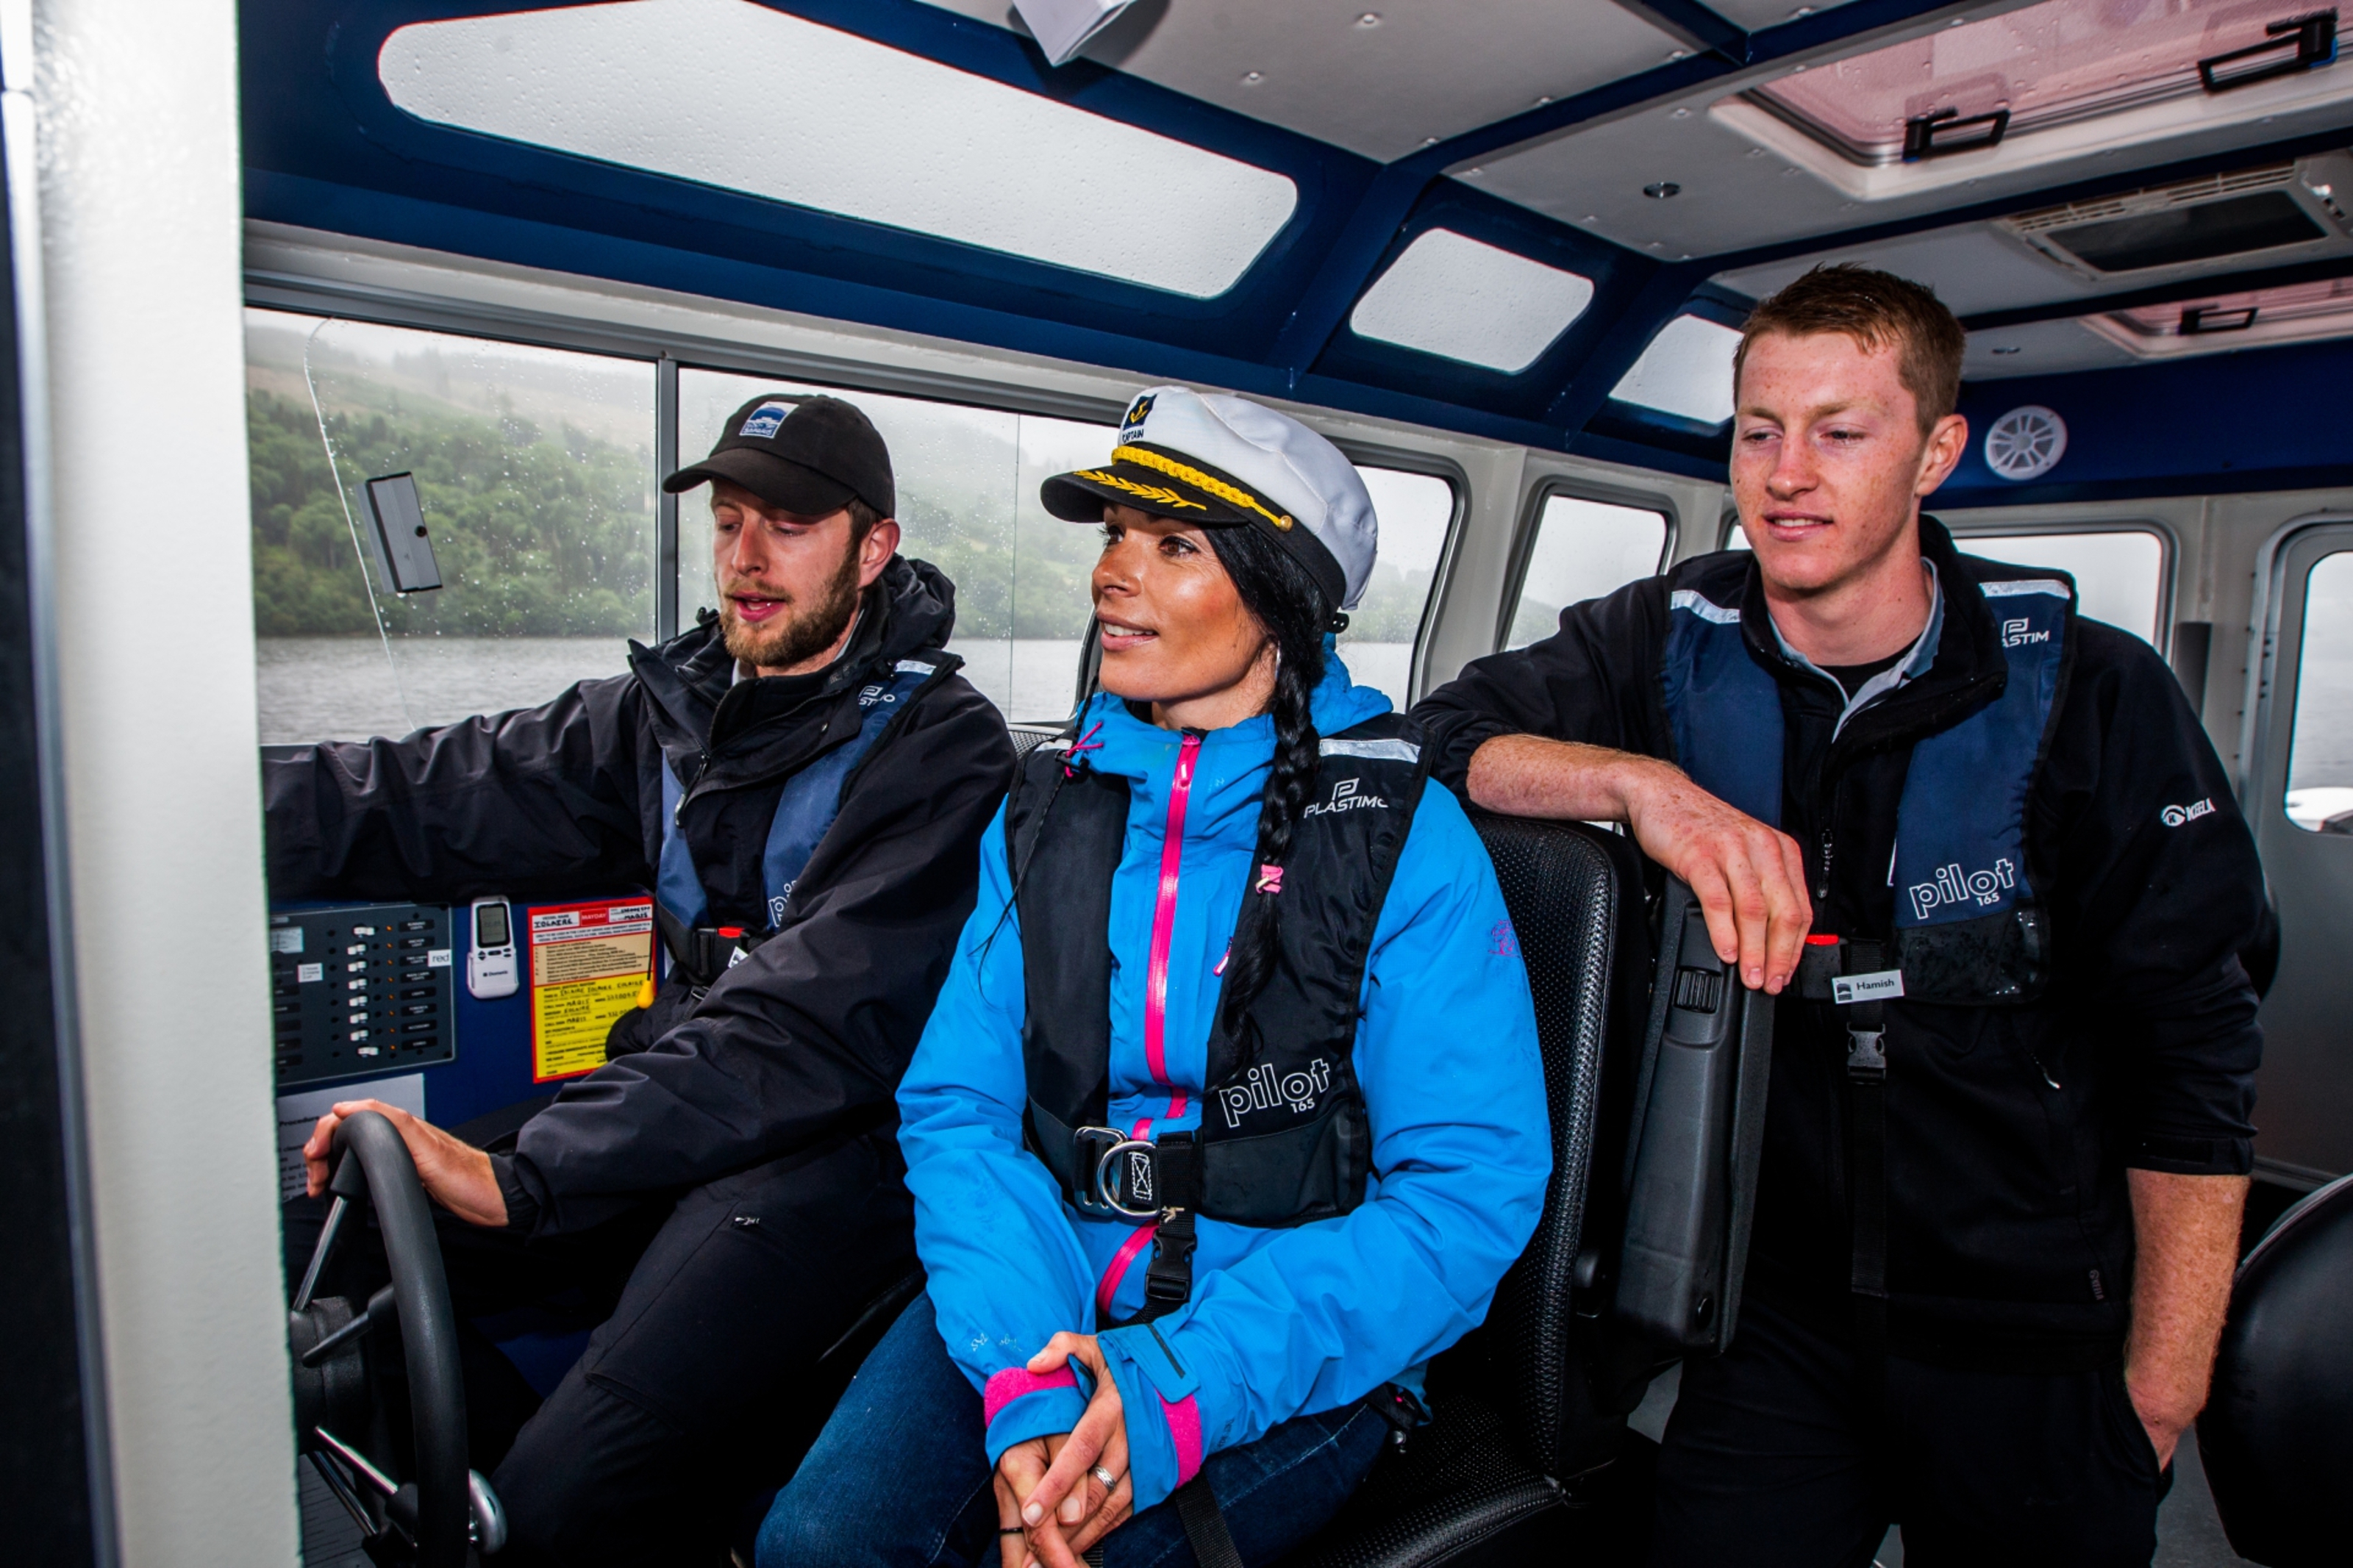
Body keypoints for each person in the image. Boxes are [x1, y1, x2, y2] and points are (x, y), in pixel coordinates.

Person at [1415, 265, 2264, 1566]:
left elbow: (2195, 1055)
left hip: (2034, 1327)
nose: (1787, 472)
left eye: (1840, 431)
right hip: (1773, 1322)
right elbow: (1436, 737)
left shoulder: (2093, 693)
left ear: (1935, 454)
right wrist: (1639, 785)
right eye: (1760, 430)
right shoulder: (1663, 636)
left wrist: (2164, 1385)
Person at [757, 387, 1552, 1568]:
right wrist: (1030, 1380)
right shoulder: (1043, 805)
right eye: (1115, 537)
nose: (1112, 575)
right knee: (817, 1543)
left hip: (1293, 1336)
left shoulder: (1404, 840)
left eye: (1171, 545)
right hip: (1045, 1277)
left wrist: (1183, 1384)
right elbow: (960, 1108)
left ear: (1279, 594)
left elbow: (1463, 1197)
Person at [271, 393, 1015, 1565]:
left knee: (562, 1492)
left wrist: (527, 1176)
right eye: (727, 522)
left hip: (838, 1155)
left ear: (873, 550)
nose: (746, 558)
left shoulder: (945, 748)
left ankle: (550, 1513)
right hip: (679, 1100)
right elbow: (429, 791)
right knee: (333, 1226)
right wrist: (199, 807)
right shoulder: (667, 714)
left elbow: (804, 1031)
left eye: (789, 524)